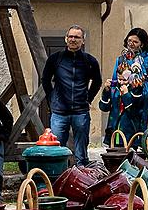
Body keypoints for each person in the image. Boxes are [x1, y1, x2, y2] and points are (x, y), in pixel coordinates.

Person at [41, 25, 102, 167]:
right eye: (70, 37)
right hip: (59, 113)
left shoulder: (90, 61)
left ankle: (81, 178)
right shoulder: (55, 59)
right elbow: (45, 80)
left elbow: (97, 81)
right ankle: (58, 179)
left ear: (83, 41)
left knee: (81, 153)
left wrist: (88, 98)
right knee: (57, 151)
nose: (73, 40)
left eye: (77, 37)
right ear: (65, 39)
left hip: (80, 112)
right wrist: (52, 100)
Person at [100, 28, 148, 144]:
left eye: (135, 42)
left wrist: (137, 85)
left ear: (142, 44)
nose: (131, 44)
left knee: (139, 131)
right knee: (121, 135)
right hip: (123, 97)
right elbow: (115, 79)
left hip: (143, 99)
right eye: (129, 41)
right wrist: (110, 90)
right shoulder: (121, 59)